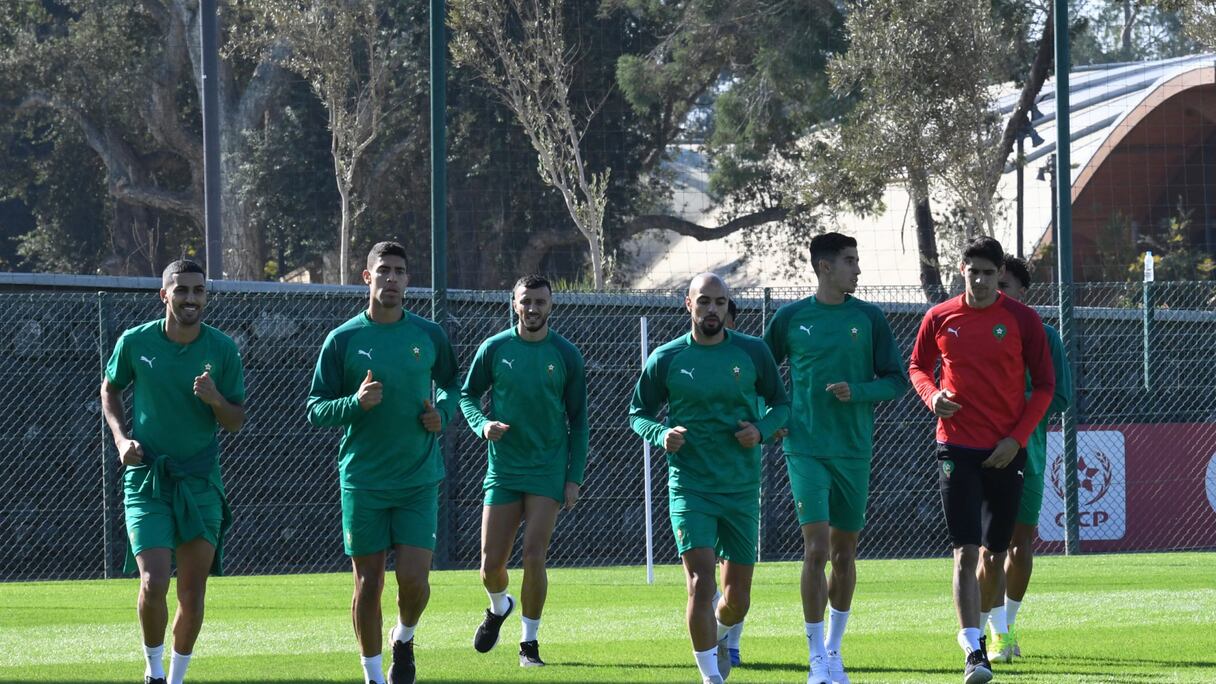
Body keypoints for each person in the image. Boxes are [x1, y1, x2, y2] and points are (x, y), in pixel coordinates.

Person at [306, 241, 460, 684]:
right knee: (368, 585)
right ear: (366, 278)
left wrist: (442, 413)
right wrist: (354, 404)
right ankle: (374, 675)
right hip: (364, 481)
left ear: (408, 280)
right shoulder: (344, 339)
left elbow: (452, 384)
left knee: (414, 581)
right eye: (383, 271)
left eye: (399, 271)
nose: (391, 278)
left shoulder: (428, 334)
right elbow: (315, 408)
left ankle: (404, 637)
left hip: (418, 479)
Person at [908, 236, 1055, 684]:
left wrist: (1017, 439)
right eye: (974, 271)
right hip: (955, 446)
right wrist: (933, 397)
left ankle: (994, 630)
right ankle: (973, 649)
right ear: (962, 270)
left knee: (995, 554)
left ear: (999, 275)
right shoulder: (940, 316)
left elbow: (1046, 387)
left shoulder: (1022, 320)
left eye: (990, 273)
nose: (982, 280)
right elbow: (917, 365)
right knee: (964, 551)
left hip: (1004, 451)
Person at [630, 273, 790, 684]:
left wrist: (760, 429)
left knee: (736, 601)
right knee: (701, 583)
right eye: (704, 302)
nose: (712, 309)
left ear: (727, 306)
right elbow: (638, 413)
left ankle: (718, 635)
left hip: (739, 488)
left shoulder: (753, 352)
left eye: (720, 302)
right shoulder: (666, 358)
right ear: (688, 304)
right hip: (690, 487)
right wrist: (661, 434)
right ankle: (710, 678)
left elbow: (781, 406)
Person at [763, 232, 909, 684]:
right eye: (850, 261)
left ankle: (834, 649)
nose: (858, 270)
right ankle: (814, 659)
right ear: (825, 267)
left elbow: (895, 380)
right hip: (805, 448)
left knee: (846, 553)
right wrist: (771, 418)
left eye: (857, 261)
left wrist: (857, 391)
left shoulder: (869, 318)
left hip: (853, 450)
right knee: (817, 549)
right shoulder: (790, 318)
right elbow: (757, 376)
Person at [100, 259, 246, 684]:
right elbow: (110, 387)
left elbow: (235, 421)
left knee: (193, 591)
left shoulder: (222, 349)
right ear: (164, 294)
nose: (190, 299)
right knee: (153, 580)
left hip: (200, 480)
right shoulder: (135, 341)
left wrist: (216, 399)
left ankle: (177, 677)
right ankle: (154, 671)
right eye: (181, 290)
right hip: (147, 479)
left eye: (198, 291)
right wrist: (121, 439)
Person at [460, 274, 588, 667]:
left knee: (534, 555)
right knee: (490, 566)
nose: (533, 308)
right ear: (514, 304)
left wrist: (573, 477)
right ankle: (499, 606)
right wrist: (482, 424)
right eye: (526, 301)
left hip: (548, 471)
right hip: (504, 470)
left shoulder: (567, 354)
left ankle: (528, 644)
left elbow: (579, 420)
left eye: (540, 302)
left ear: (552, 305)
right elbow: (467, 396)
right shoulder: (494, 348)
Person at [983, 256, 1072, 661]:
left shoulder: (1045, 335)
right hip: (977, 455)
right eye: (989, 282)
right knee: (987, 548)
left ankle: (1009, 626)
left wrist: (1011, 405)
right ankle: (994, 632)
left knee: (1019, 546)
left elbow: (1062, 395)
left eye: (1005, 286)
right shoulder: (970, 330)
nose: (996, 292)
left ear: (1023, 292)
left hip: (1027, 453)